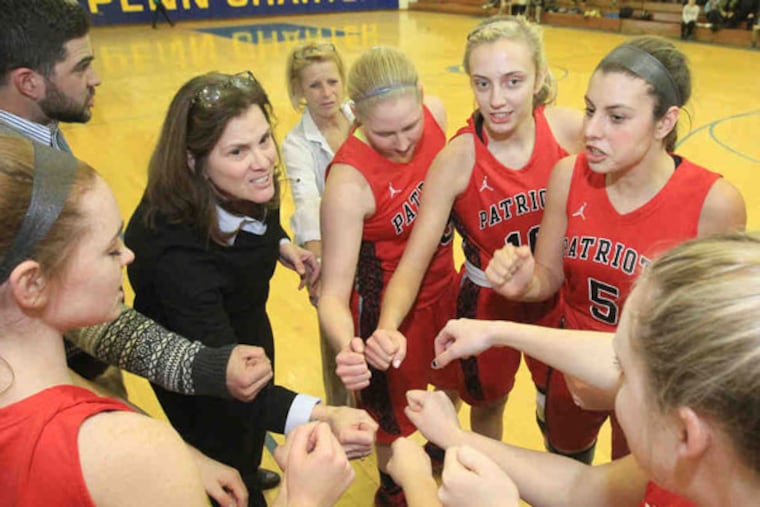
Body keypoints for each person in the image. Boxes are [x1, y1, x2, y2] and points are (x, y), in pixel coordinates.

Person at [0, 136, 366, 507]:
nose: (128, 254)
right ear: (32, 284)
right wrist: (303, 498)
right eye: (110, 249)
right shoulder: (130, 454)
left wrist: (186, 456)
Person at [484, 36, 746, 461]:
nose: (591, 130)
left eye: (617, 116)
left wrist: (627, 382)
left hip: (651, 387)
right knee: (566, 472)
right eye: (590, 110)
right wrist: (522, 284)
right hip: (570, 373)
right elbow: (547, 279)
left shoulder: (715, 204)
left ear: (665, 122)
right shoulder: (568, 176)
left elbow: (708, 337)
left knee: (634, 487)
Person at [125, 70, 378, 507]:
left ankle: (245, 457)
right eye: (238, 151)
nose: (263, 161)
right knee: (223, 448)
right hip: (197, 365)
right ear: (193, 162)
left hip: (245, 324)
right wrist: (324, 414)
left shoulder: (242, 182)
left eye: (264, 139)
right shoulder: (176, 256)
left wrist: (280, 243)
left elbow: (259, 216)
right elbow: (229, 381)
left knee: (246, 431)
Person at [0, 0, 272, 406]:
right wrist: (203, 366)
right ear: (29, 82)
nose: (96, 79)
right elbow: (85, 319)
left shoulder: (42, 130)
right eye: (80, 67)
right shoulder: (15, 180)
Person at [409, 231, 760, 507]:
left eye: (622, 369)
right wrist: (497, 332)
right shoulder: (703, 460)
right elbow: (581, 489)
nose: (609, 371)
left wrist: (423, 486)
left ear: (685, 433)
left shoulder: (684, 462)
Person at [374, 15, 582, 455]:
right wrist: (388, 327)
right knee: (489, 406)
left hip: (556, 298)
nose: (497, 99)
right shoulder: (458, 158)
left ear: (540, 78)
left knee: (561, 411)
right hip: (486, 302)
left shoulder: (569, 131)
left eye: (512, 81)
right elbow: (414, 260)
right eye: (482, 83)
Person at [317, 46, 461, 506]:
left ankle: (437, 453)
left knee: (451, 387)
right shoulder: (347, 182)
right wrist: (351, 347)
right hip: (388, 319)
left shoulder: (437, 114)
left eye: (409, 127)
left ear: (422, 98)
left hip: (447, 289)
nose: (401, 143)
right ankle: (394, 490)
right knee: (390, 425)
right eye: (384, 133)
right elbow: (332, 296)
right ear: (355, 113)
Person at [282, 41, 354, 407]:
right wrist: (321, 268)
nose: (327, 93)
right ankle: (342, 412)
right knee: (337, 342)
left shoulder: (361, 116)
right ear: (298, 92)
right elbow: (307, 201)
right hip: (329, 250)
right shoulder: (296, 144)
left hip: (375, 244)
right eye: (314, 86)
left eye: (332, 81)